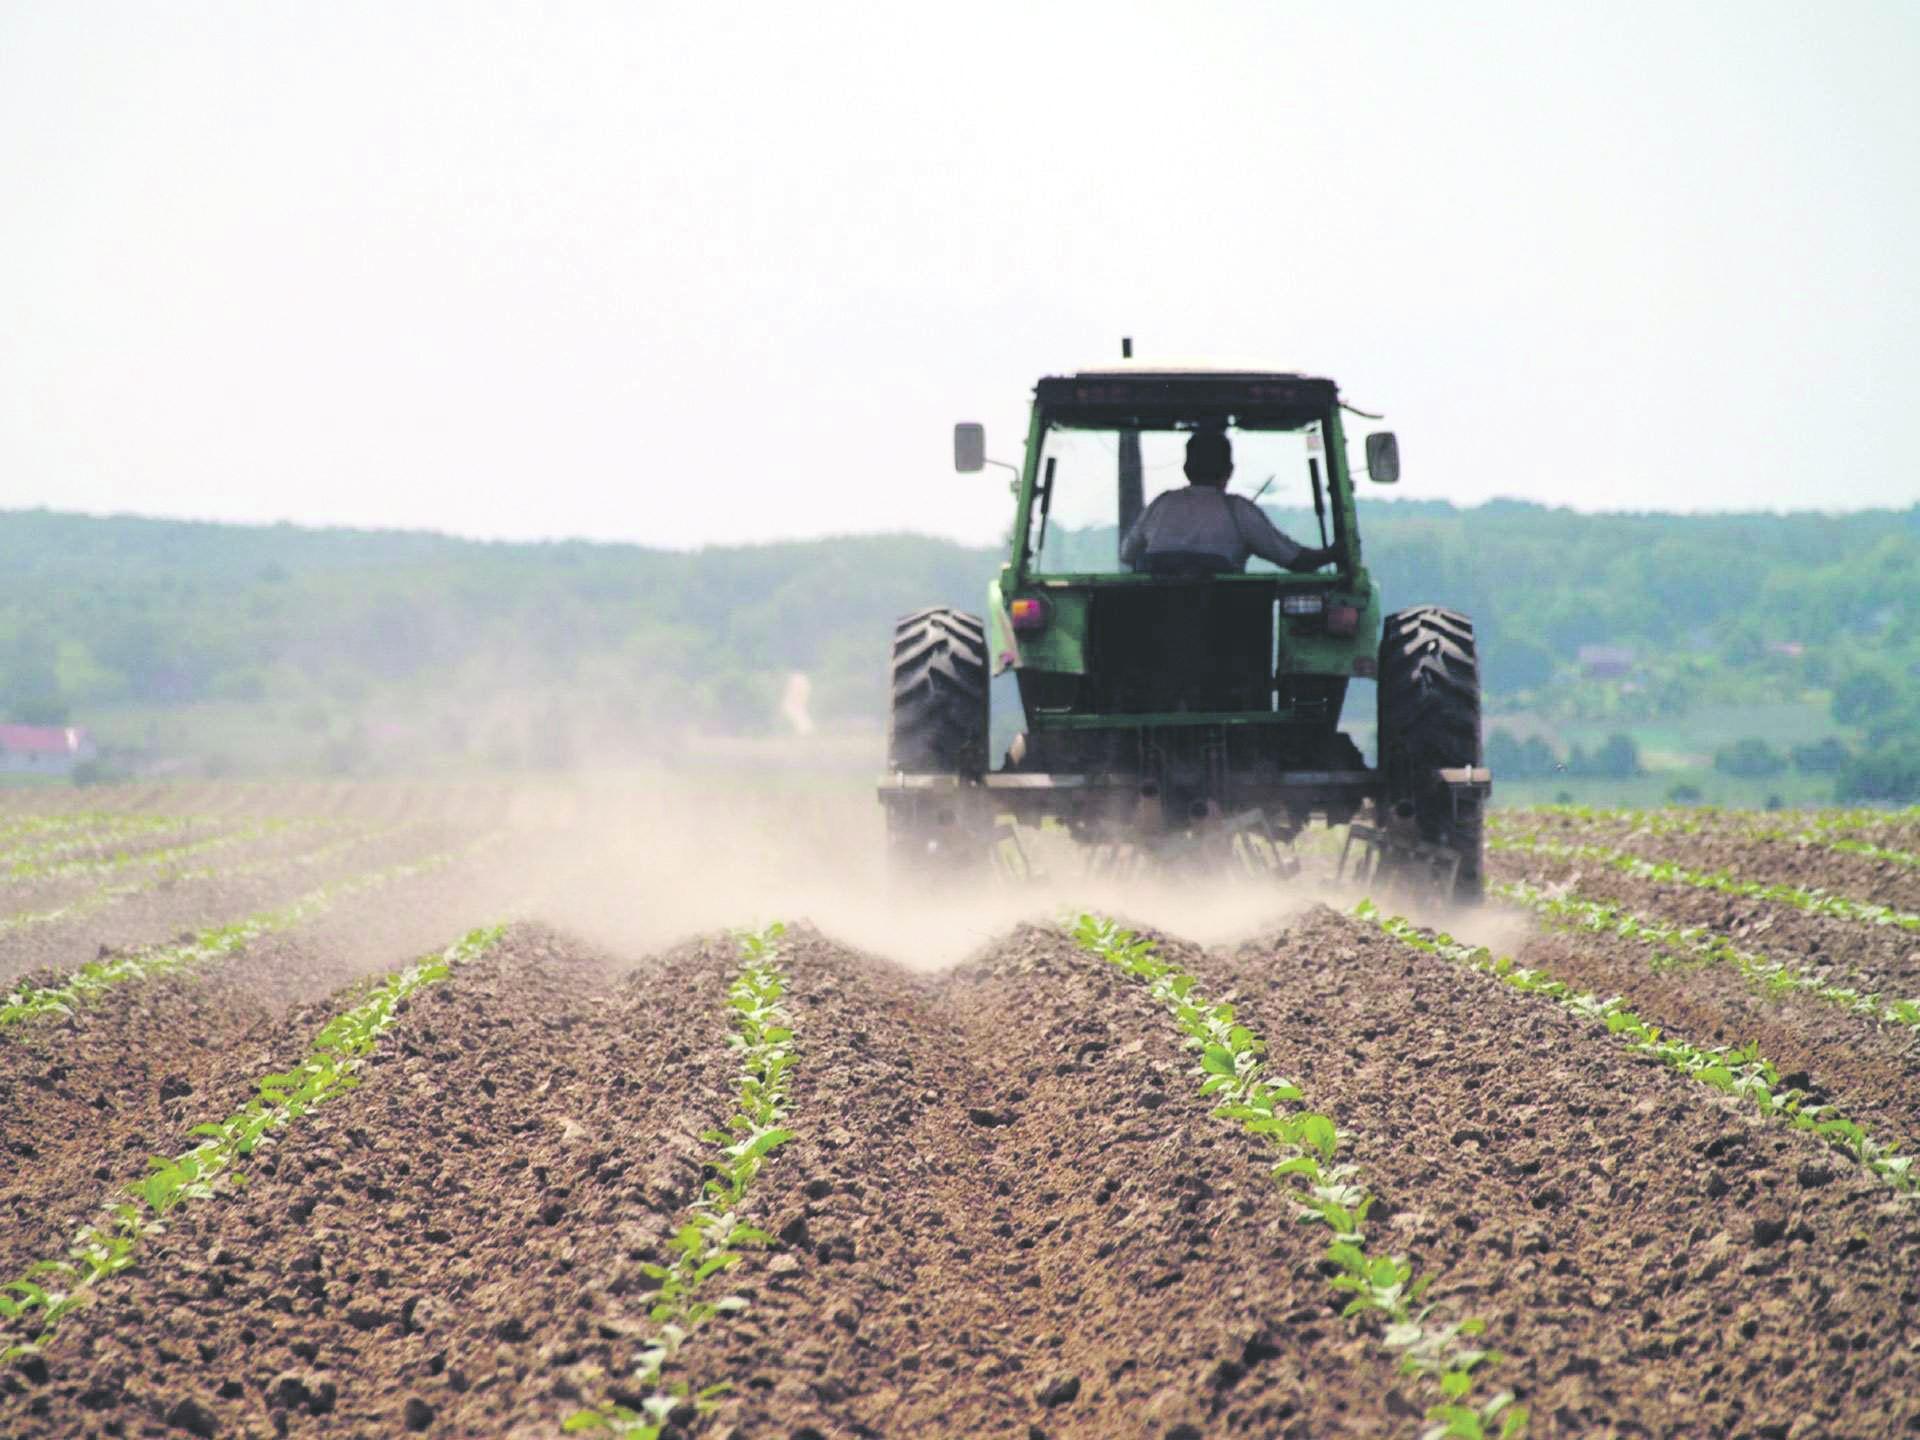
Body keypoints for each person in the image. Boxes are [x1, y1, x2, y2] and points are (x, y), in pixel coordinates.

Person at [1119, 430, 1336, 573]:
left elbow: (1127, 554)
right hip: (1223, 624)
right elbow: (1295, 559)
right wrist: (1335, 553)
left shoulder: (1162, 504)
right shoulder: (1239, 511)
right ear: (1229, 471)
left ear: (1186, 469)